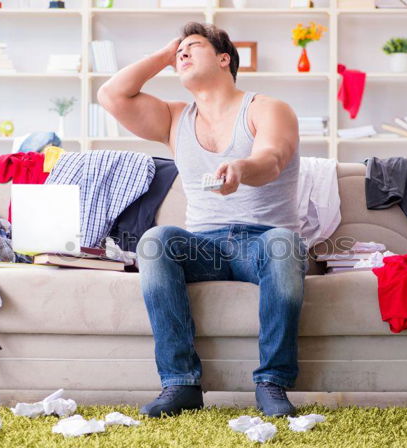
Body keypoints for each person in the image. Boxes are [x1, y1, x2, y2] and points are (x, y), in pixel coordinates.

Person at [97, 22, 307, 418]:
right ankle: (180, 384)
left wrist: (242, 169)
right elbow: (111, 94)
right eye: (179, 52)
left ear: (224, 58)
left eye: (193, 47)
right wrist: (165, 54)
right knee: (156, 240)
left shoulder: (267, 108)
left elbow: (273, 159)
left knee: (285, 244)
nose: (183, 55)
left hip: (262, 242)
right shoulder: (174, 118)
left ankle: (272, 383)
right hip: (204, 245)